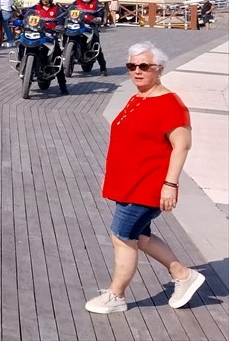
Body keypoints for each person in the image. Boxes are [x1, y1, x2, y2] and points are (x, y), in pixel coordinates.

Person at [85, 42, 205, 314]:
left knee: (122, 236)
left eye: (144, 66)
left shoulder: (170, 104)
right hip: (127, 182)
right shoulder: (139, 97)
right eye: (131, 66)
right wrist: (111, 176)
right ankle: (184, 275)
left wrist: (170, 185)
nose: (137, 71)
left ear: (159, 69)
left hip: (147, 185)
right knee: (140, 236)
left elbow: (182, 146)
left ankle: (116, 295)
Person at [26, 0, 68, 95]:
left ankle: (63, 86)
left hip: (50, 36)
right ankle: (22, 64)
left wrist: (59, 26)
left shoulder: (57, 9)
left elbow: (61, 20)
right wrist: (17, 20)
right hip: (35, 35)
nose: (44, 0)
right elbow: (24, 17)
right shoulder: (34, 9)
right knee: (22, 43)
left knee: (57, 57)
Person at [71, 0, 108, 75]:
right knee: (67, 33)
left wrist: (99, 19)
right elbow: (69, 11)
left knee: (96, 44)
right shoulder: (76, 2)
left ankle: (103, 67)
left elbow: (101, 13)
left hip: (91, 26)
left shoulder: (97, 3)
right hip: (78, 25)